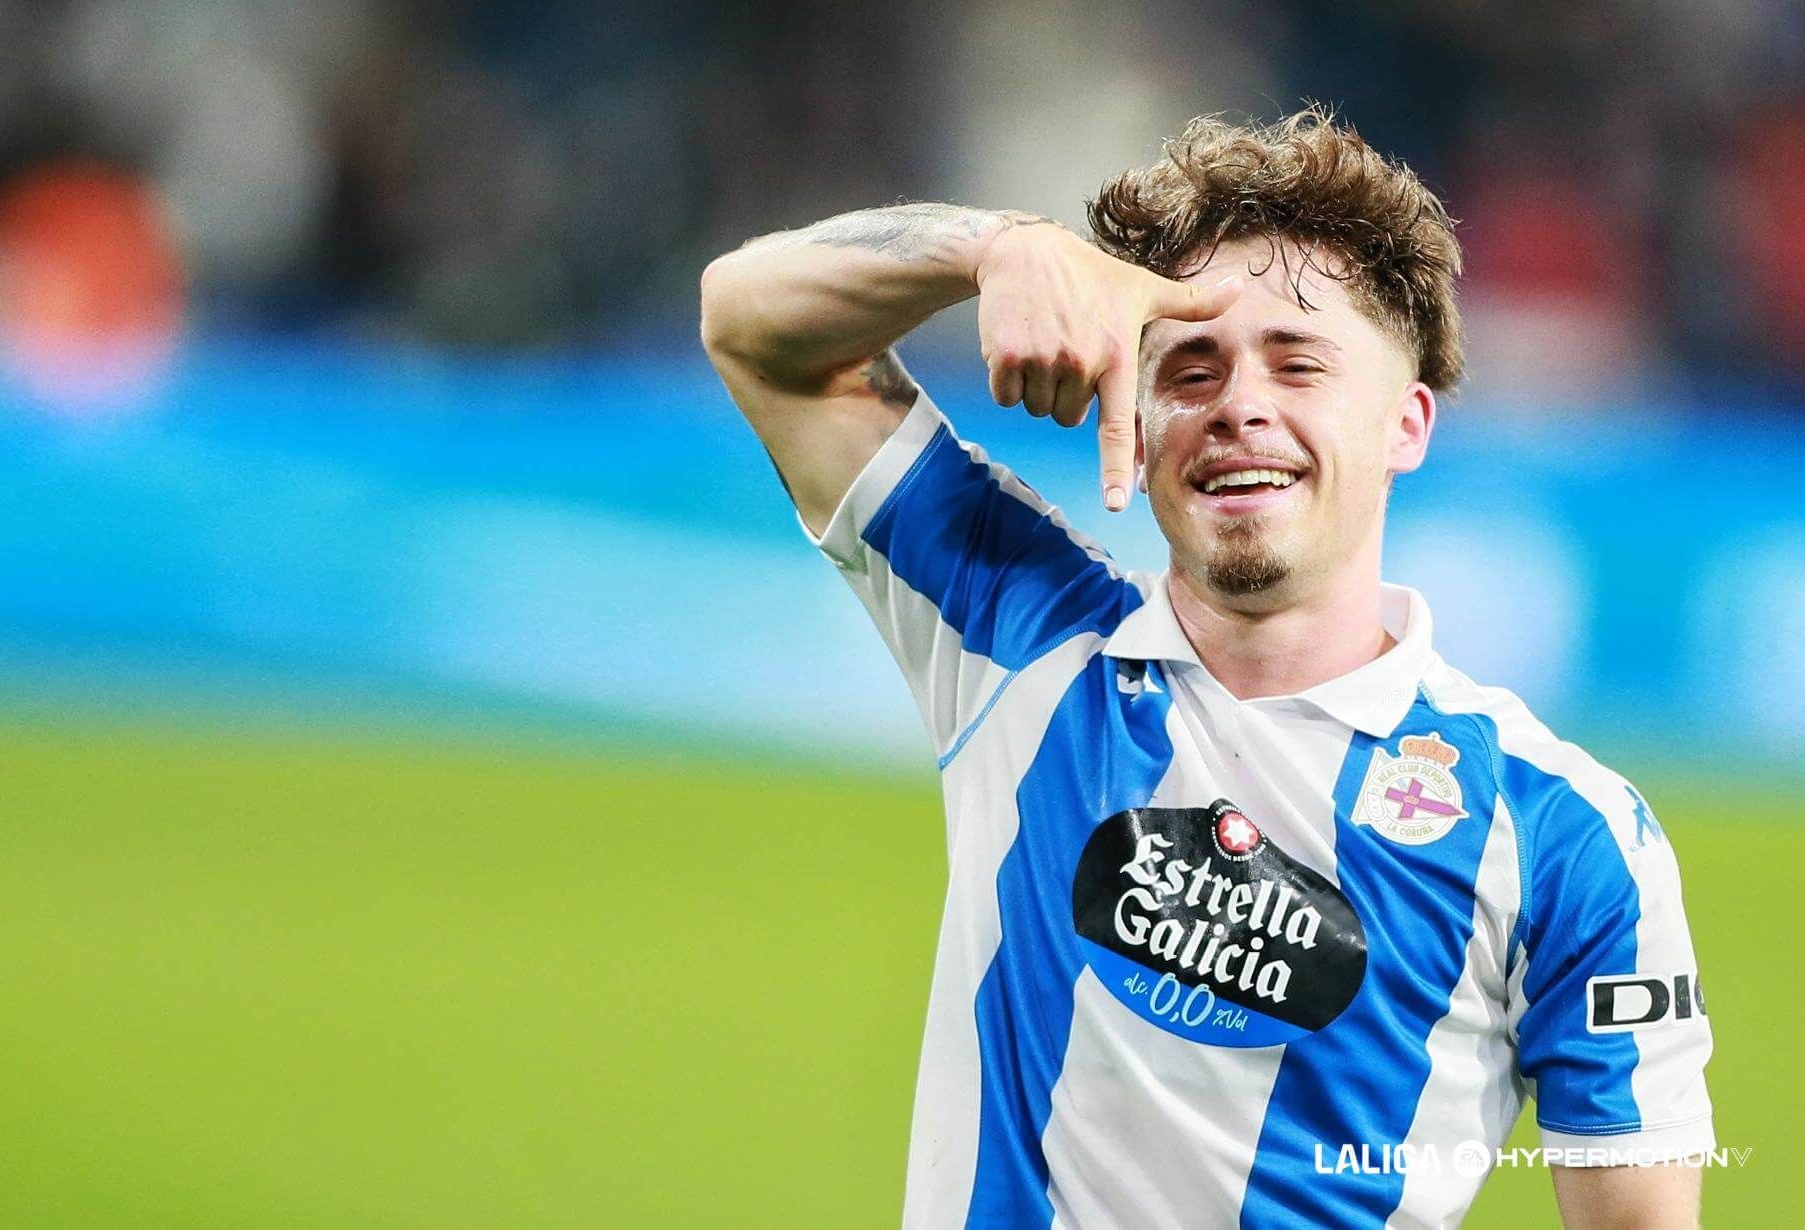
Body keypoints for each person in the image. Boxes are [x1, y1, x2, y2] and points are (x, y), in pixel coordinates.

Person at [698, 109, 1713, 1229]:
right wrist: (993, 246)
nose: (1238, 405)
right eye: (1189, 367)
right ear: (1134, 414)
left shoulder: (1563, 836)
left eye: (1297, 362)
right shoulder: (1019, 625)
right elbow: (749, 323)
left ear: (1404, 425)